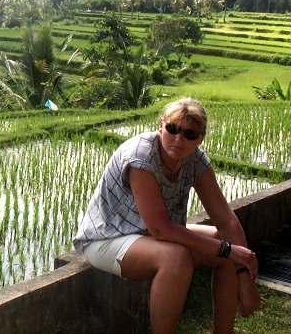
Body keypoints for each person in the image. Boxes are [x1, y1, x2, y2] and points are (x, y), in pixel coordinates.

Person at [73, 97, 260, 334]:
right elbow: (160, 229)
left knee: (220, 241)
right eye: (173, 129)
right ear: (161, 125)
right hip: (108, 237)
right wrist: (227, 249)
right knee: (177, 257)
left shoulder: (195, 160)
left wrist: (244, 276)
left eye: (189, 134)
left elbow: (226, 219)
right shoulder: (141, 156)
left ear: (200, 138)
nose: (178, 139)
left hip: (150, 235)